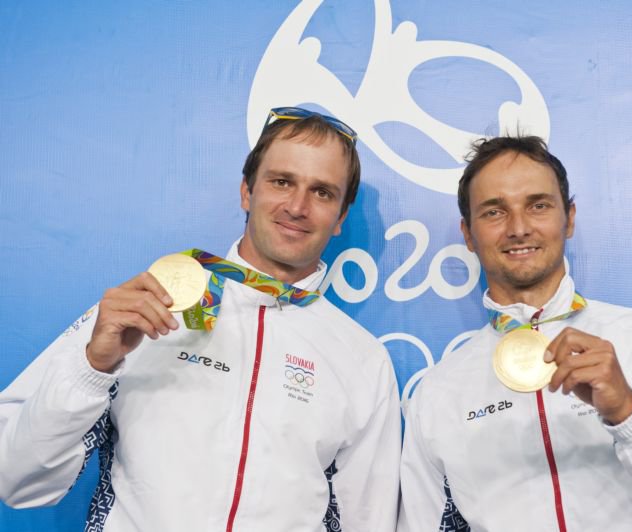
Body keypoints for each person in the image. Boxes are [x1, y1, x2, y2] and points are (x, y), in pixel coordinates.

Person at [0, 107, 401, 531]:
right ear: (247, 191)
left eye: (322, 192)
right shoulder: (144, 306)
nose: (297, 206)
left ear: (340, 218)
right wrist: (92, 368)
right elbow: (16, 478)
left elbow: (368, 522)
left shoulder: (362, 359)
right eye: (281, 181)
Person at [397, 135, 632, 532]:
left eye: (538, 205)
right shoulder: (439, 391)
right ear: (469, 234)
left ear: (570, 218)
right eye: (494, 212)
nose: (519, 228)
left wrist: (630, 414)